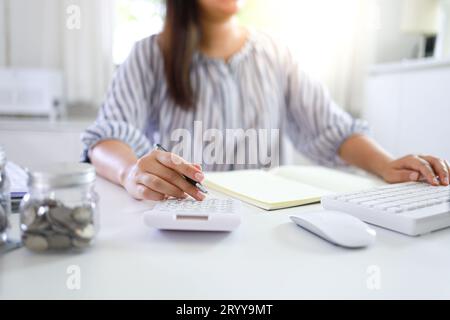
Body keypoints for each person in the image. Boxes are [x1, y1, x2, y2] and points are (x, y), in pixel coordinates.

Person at [82, 0, 449, 202]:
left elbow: (333, 129)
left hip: (269, 225)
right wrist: (132, 171)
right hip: (185, 216)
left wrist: (387, 165)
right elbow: (107, 137)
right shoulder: (149, 54)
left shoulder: (277, 52)